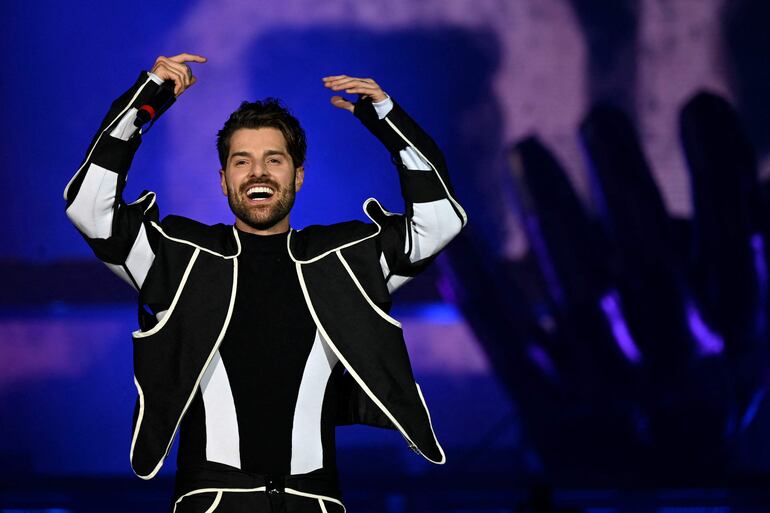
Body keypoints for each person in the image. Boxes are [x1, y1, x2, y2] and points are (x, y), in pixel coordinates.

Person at [64, 53, 466, 512]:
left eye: (273, 159)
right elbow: (89, 209)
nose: (258, 172)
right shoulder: (181, 257)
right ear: (223, 180)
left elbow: (440, 221)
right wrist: (146, 101)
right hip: (213, 502)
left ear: (298, 175)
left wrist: (388, 121)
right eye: (242, 161)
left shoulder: (342, 260)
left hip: (316, 502)